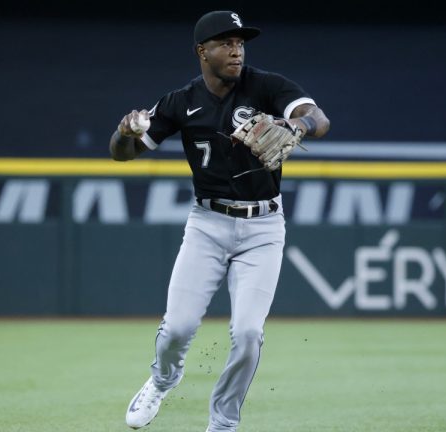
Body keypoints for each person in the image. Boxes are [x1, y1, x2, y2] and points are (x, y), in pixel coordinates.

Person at [110, 10, 330, 432]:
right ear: (202, 51)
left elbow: (319, 118)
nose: (236, 50)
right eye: (226, 43)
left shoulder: (266, 86)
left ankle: (223, 423)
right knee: (177, 328)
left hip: (263, 227)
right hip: (207, 225)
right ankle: (161, 380)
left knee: (248, 335)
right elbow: (123, 152)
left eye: (240, 43)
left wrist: (297, 124)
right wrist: (125, 132)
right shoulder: (181, 101)